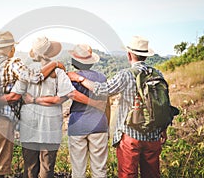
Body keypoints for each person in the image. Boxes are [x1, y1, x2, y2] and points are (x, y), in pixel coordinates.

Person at [0, 31, 66, 178]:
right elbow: (35, 77)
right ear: (11, 48)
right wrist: (55, 64)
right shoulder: (13, 63)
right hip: (0, 121)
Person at [67, 36, 168, 178]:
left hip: (130, 134)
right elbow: (163, 104)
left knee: (128, 174)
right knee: (151, 174)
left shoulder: (126, 75)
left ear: (129, 54)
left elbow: (103, 90)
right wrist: (163, 129)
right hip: (154, 134)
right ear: (145, 56)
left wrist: (80, 78)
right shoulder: (158, 74)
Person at [9, 36, 75, 178]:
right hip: (50, 124)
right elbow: (62, 98)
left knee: (30, 166)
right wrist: (42, 100)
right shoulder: (58, 72)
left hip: (28, 123)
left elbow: (17, 94)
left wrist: (33, 100)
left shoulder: (27, 72)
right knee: (47, 166)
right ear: (51, 52)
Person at [67, 44, 109, 178]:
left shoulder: (71, 78)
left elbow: (68, 96)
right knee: (100, 169)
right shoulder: (102, 78)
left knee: (78, 170)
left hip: (78, 125)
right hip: (99, 124)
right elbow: (107, 104)